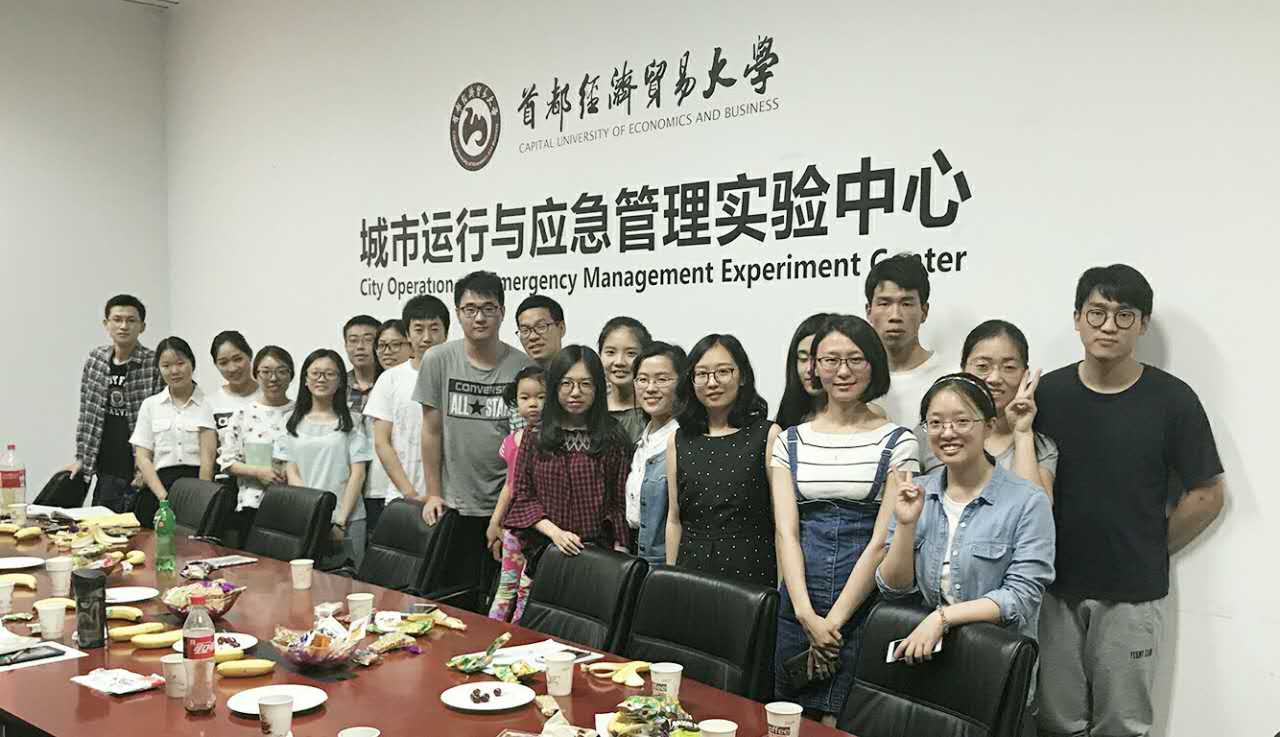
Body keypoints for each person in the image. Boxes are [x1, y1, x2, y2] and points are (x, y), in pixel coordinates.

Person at [1034, 265, 1224, 737]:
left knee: (1121, 725)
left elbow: (1207, 495)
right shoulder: (1047, 395)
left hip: (1132, 595)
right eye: (1096, 313)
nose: (1108, 326)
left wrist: (1148, 546)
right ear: (1077, 319)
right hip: (1053, 588)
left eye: (1124, 315)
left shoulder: (1173, 400)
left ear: (1142, 324)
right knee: (1054, 722)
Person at [771, 315, 919, 719]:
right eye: (830, 360)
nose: (842, 371)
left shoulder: (899, 441)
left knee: (847, 720)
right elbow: (786, 533)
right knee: (789, 718)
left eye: (855, 359)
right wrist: (805, 615)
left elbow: (881, 541)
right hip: (797, 606)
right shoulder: (789, 440)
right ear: (815, 367)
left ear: (874, 365)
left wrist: (831, 624)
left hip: (862, 608)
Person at [876, 374, 1054, 691]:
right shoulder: (918, 492)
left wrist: (943, 618)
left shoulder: (1027, 501)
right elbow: (894, 589)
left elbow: (1022, 597)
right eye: (935, 423)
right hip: (927, 661)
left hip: (993, 668)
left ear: (989, 425)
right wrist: (905, 524)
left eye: (962, 421)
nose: (947, 433)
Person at [414, 271, 534, 604]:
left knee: (500, 602)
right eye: (470, 309)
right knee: (452, 600)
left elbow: (525, 447)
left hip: (507, 506)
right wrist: (433, 493)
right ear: (458, 313)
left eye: (488, 308)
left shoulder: (522, 366)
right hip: (455, 503)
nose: (479, 317)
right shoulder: (438, 359)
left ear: (502, 312)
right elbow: (431, 430)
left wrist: (511, 507)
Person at [503, 346, 632, 565]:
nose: (575, 392)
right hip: (546, 550)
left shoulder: (612, 435)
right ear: (554, 386)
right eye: (566, 383)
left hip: (598, 555)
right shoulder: (535, 435)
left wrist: (620, 554)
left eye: (585, 384)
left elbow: (619, 503)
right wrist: (556, 534)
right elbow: (523, 498)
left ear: (598, 388)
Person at [665, 334, 776, 587]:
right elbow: (674, 519)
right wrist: (670, 581)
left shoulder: (767, 435)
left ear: (742, 376)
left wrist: (782, 588)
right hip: (692, 569)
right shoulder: (677, 440)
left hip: (752, 568)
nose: (712, 382)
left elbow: (781, 524)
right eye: (702, 374)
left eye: (723, 371)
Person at [919, 320, 1058, 497]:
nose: (994, 378)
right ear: (963, 369)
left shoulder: (1039, 446)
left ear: (1025, 374)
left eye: (1009, 367)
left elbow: (1035, 509)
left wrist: (1022, 434)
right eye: (982, 367)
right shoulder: (933, 432)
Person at [275, 349, 372, 570]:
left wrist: (340, 521)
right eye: (316, 373)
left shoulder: (353, 421)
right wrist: (313, 512)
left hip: (347, 519)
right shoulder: (290, 420)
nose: (321, 379)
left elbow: (358, 474)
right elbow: (292, 471)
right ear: (305, 379)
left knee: (348, 582)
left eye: (330, 374)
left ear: (340, 381)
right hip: (305, 517)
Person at [69, 294, 163, 512]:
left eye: (131, 320)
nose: (123, 326)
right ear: (106, 324)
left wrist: (149, 468)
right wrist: (81, 458)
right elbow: (86, 413)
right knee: (101, 525)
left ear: (142, 326)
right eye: (117, 319)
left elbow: (161, 421)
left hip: (139, 467)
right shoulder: (96, 360)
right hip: (106, 466)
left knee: (138, 529)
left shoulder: (153, 364)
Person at [365, 295, 450, 534]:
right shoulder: (390, 378)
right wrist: (409, 493)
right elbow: (382, 442)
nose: (427, 337)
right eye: (418, 329)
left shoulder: (458, 375)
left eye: (435, 329)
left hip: (452, 498)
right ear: (408, 335)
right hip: (404, 497)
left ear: (446, 333)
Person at [129, 337, 217, 527]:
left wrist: (201, 498)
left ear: (192, 363)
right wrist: (163, 498)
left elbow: (207, 458)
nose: (174, 371)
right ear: (159, 368)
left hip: (195, 487)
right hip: (158, 487)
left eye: (180, 363)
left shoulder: (207, 404)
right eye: (166, 365)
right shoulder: (150, 405)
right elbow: (143, 458)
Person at [218, 346, 295, 546]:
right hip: (252, 505)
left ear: (291, 375)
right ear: (256, 374)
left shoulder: (301, 413)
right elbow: (227, 462)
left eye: (281, 371)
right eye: (266, 372)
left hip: (296, 505)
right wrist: (259, 472)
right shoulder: (243, 414)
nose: (273, 378)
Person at [486, 365, 546, 622]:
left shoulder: (553, 441)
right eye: (525, 397)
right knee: (506, 588)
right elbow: (509, 485)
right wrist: (495, 521)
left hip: (538, 529)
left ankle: (519, 635)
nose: (533, 403)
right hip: (513, 528)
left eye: (541, 396)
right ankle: (492, 631)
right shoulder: (512, 441)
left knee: (527, 590)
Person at [864, 253, 950, 426]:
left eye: (906, 304)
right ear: (869, 311)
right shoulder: (853, 380)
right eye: (884, 303)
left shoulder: (949, 377)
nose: (895, 316)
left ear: (924, 311)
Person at [626, 342, 685, 566]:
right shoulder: (639, 442)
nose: (650, 388)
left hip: (665, 563)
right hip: (634, 556)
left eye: (662, 379)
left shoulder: (684, 443)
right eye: (642, 379)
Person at [774, 313, 836, 430]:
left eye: (819, 358)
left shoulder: (864, 418)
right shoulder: (785, 421)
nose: (809, 369)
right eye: (803, 358)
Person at [208, 331, 262, 456]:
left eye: (237, 359)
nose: (232, 368)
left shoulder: (270, 396)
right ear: (216, 365)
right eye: (223, 363)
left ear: (250, 355)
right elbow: (208, 454)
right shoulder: (210, 403)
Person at [599, 316, 651, 442]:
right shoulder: (591, 406)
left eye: (631, 353)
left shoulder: (655, 409)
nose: (619, 362)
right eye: (611, 352)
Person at [342, 315, 381, 416]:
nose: (360, 346)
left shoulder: (390, 382)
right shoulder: (337, 385)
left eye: (368, 339)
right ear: (346, 346)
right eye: (353, 340)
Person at [514, 294, 567, 367]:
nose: (533, 337)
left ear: (561, 328)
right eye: (525, 330)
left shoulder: (579, 372)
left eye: (541, 327)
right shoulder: (513, 373)